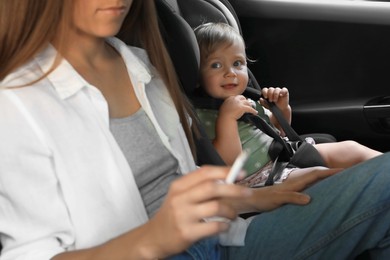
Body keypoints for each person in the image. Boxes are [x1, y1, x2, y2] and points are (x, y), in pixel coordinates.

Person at [0, 1, 389, 260]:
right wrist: (150, 240)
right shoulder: (16, 103)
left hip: (224, 237)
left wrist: (251, 199)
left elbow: (179, 185)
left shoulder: (142, 67)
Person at [194, 22, 382, 186]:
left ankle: (385, 173)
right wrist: (226, 119)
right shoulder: (199, 115)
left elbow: (278, 132)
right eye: (216, 65)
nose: (231, 73)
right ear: (195, 72)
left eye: (237, 63)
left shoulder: (246, 98)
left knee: (350, 148)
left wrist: (281, 109)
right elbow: (226, 165)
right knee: (333, 180)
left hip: (285, 155)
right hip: (259, 178)